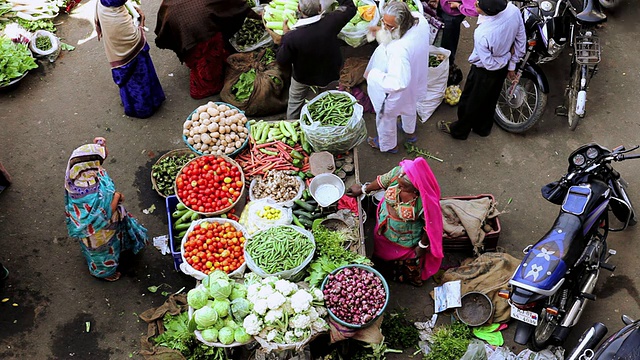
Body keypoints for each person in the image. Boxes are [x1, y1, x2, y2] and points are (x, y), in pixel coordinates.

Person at [347, 157, 443, 286]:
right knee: (381, 253)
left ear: (416, 188)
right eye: (399, 183)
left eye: (404, 187)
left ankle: (401, 276)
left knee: (406, 261)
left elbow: (430, 226)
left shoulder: (424, 202)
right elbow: (381, 182)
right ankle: (382, 266)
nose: (399, 187)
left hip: (404, 238)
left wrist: (422, 245)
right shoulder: (398, 173)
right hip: (384, 225)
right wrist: (364, 189)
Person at [437, 0, 525, 139]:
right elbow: (521, 40)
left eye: (477, 5)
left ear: (487, 12)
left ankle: (460, 131)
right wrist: (512, 64)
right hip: (502, 68)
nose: (475, 4)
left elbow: (489, 64)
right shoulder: (513, 11)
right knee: (491, 97)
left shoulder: (483, 34)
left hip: (484, 70)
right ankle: (483, 128)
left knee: (470, 100)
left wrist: (507, 56)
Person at [64, 137, 148, 281]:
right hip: (99, 231)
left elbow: (99, 159)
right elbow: (105, 213)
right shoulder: (89, 193)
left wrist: (100, 145)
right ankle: (105, 273)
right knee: (102, 254)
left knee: (102, 247)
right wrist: (116, 196)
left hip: (91, 226)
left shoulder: (77, 175)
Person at [154, 0, 259, 99]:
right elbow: (239, 6)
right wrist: (258, 15)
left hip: (172, 14)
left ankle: (196, 58)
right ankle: (206, 87)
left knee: (192, 47)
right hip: (193, 25)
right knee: (206, 56)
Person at [364, 2, 431, 154]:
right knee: (410, 105)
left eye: (389, 25)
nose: (384, 26)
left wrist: (373, 75)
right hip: (416, 76)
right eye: (383, 21)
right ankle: (410, 133)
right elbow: (393, 35)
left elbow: (398, 83)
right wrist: (382, 30)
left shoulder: (398, 50)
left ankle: (388, 145)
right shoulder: (419, 20)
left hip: (396, 88)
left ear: (401, 24)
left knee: (386, 117)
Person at [275, 0, 356, 120]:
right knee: (329, 99)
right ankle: (325, 126)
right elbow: (350, 7)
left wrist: (284, 40)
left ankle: (292, 124)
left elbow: (282, 60)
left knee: (295, 102)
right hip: (329, 74)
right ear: (319, 8)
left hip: (302, 76)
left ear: (299, 8)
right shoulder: (332, 21)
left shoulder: (292, 37)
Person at [95, 0, 166, 118]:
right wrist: (140, 23)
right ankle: (144, 107)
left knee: (128, 70)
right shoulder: (118, 22)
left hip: (109, 15)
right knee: (137, 65)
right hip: (118, 24)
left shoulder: (105, 8)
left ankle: (133, 105)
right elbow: (134, 39)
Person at [434, 0, 478, 75]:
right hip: (442, 8)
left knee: (448, 42)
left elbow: (475, 10)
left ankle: (447, 66)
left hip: (452, 16)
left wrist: (459, 6)